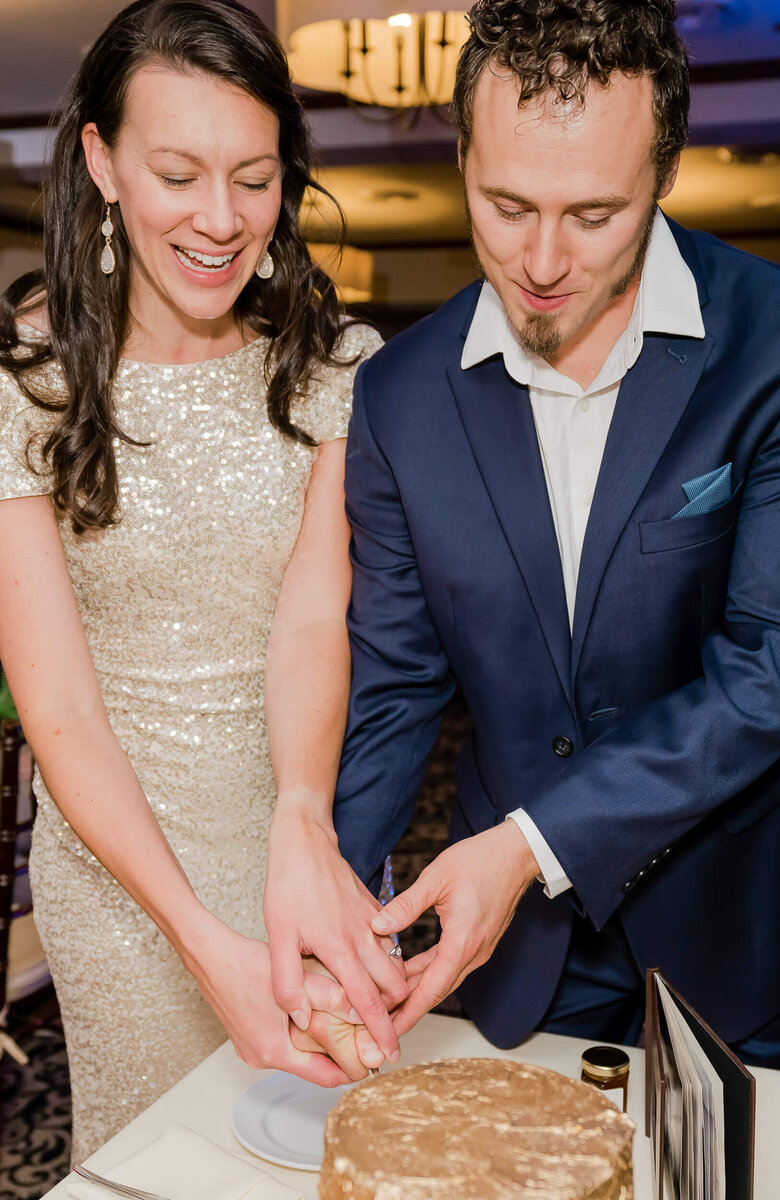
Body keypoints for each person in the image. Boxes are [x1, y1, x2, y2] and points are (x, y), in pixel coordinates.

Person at [268, 0, 780, 1069]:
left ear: (662, 175)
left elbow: (772, 669)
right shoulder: (399, 399)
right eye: (505, 204)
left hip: (710, 934)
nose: (542, 260)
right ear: (460, 154)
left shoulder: (777, 346)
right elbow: (394, 683)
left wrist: (526, 846)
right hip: (510, 954)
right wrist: (335, 896)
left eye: (594, 214)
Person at [0, 0, 403, 1162]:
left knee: (310, 1156)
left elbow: (311, 621)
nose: (221, 221)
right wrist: (197, 938)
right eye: (177, 173)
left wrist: (300, 825)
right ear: (102, 162)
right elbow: (60, 712)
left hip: (299, 840)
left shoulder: (331, 370)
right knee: (157, 1163)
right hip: (121, 883)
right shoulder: (30, 394)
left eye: (255, 177)